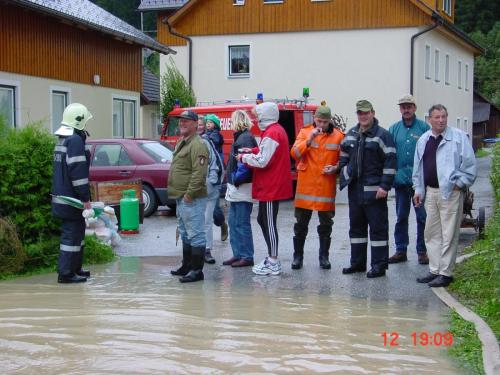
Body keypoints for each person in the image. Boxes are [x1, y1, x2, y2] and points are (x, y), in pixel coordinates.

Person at [413, 104, 476, 287]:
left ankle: (446, 273)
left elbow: (470, 166)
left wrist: (459, 184)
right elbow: (418, 168)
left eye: (444, 116)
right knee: (431, 233)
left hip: (451, 192)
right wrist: (418, 190)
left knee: (449, 233)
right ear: (429, 120)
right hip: (431, 192)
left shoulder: (458, 137)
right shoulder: (424, 140)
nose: (441, 120)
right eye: (437, 117)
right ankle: (435, 270)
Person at [339, 100, 396, 278]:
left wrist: (385, 186)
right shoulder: (351, 134)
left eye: (366, 113)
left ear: (372, 113)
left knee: (378, 229)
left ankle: (379, 266)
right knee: (356, 229)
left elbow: (391, 162)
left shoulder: (383, 135)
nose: (363, 116)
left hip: (375, 192)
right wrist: (343, 173)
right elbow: (343, 155)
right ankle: (357, 263)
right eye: (360, 113)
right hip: (355, 190)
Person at [238, 102, 293, 276]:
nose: (255, 118)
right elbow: (267, 152)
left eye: (257, 115)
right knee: (263, 219)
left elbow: (263, 160)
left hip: (271, 186)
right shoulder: (274, 131)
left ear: (264, 115)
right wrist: (253, 149)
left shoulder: (272, 133)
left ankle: (273, 260)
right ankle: (271, 258)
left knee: (268, 223)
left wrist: (244, 157)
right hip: (270, 186)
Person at [290, 105, 344, 270]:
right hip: (306, 187)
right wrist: (309, 140)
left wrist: (336, 168)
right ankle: (297, 257)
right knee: (300, 225)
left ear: (330, 121)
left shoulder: (338, 136)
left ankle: (324, 257)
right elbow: (294, 154)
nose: (321, 124)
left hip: (325, 187)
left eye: (325, 122)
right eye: (319, 121)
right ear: (314, 118)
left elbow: (343, 159)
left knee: (326, 225)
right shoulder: (305, 132)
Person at [51, 103, 93, 284]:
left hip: (63, 197)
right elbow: (78, 174)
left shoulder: (63, 139)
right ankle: (66, 273)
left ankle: (75, 268)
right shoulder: (74, 141)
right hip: (71, 199)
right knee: (71, 236)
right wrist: (86, 198)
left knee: (77, 234)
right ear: (80, 121)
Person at [388, 94, 430, 265]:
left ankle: (422, 251)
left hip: (418, 182)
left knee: (422, 217)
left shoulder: (424, 128)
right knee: (401, 217)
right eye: (403, 106)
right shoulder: (394, 129)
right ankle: (400, 250)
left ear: (414, 108)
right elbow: (389, 155)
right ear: (400, 109)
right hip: (400, 182)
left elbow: (429, 154)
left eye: (409, 106)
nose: (406, 109)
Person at [169, 110, 209, 283]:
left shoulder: (198, 144)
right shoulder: (183, 142)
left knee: (196, 234)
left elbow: (199, 173)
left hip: (191, 198)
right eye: (180, 121)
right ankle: (186, 265)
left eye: (186, 121)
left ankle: (197, 271)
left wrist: (189, 195)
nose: (182, 124)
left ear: (195, 124)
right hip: (181, 197)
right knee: (185, 233)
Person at [223, 110, 258, 267]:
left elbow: (244, 165)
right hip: (237, 188)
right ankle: (238, 254)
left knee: (241, 223)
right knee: (233, 222)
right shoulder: (243, 137)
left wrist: (236, 179)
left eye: (232, 121)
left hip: (242, 188)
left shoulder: (244, 138)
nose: (230, 124)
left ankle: (246, 256)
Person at [197, 117, 224, 264]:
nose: (201, 127)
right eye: (200, 124)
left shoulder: (207, 142)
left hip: (207, 187)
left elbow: (216, 163)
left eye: (203, 124)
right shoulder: (185, 142)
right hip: (192, 188)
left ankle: (206, 250)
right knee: (194, 220)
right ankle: (194, 250)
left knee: (207, 218)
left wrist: (212, 182)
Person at [201, 114, 229, 242]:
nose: (206, 126)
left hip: (214, 177)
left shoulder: (213, 136)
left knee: (215, 210)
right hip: (201, 179)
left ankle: (222, 224)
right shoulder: (199, 138)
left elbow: (215, 144)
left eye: (207, 124)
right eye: (204, 124)